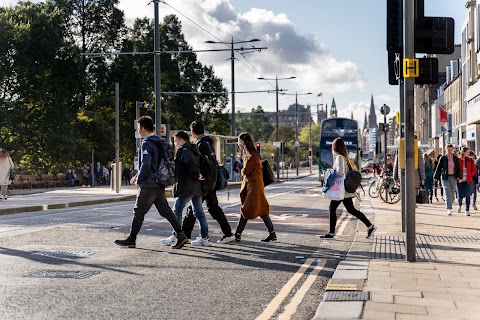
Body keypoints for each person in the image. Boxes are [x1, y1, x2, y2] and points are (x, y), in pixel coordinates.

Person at [114, 116, 189, 249]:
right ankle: (181, 234)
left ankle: (131, 239)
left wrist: (139, 178)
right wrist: (137, 175)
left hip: (149, 184)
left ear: (143, 128)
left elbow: (147, 164)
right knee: (166, 211)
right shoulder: (159, 142)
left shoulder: (147, 143)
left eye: (138, 128)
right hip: (159, 182)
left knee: (139, 211)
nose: (138, 131)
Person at [180, 121, 235, 244]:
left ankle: (185, 235)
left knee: (193, 208)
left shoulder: (200, 145)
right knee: (213, 208)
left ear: (192, 132)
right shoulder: (209, 143)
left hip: (204, 182)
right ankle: (228, 233)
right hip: (211, 181)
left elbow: (201, 164)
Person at [161, 130, 211, 246]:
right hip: (196, 187)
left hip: (188, 186)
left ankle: (176, 235)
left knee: (176, 210)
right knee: (199, 213)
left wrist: (196, 174)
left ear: (181, 140)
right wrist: (197, 175)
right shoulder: (194, 149)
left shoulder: (185, 150)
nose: (175, 143)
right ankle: (205, 238)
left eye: (175, 141)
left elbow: (190, 164)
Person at [322, 138, 376, 239]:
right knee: (351, 210)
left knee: (332, 208)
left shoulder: (339, 158)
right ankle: (370, 226)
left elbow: (341, 173)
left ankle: (331, 233)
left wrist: (329, 173)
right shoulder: (344, 157)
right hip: (344, 190)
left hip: (342, 190)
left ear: (334, 147)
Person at [234, 132, 276, 242]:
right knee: (262, 210)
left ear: (244, 142)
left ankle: (237, 233)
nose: (238, 143)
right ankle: (272, 234)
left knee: (246, 209)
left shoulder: (252, 155)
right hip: (253, 185)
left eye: (239, 141)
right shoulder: (248, 153)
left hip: (254, 187)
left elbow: (245, 171)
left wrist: (241, 164)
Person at [434, 143, 461, 215]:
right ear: (446, 150)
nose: (450, 151)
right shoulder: (443, 158)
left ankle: (450, 203)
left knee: (452, 194)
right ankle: (449, 209)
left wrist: (459, 177)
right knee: (448, 193)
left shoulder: (455, 158)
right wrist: (435, 177)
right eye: (448, 150)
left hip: (453, 177)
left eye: (451, 150)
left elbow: (458, 168)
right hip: (445, 178)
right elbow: (438, 168)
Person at [456, 147, 477, 216]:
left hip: (468, 181)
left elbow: (474, 169)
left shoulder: (470, 160)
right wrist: (458, 178)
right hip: (460, 181)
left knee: (468, 195)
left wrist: (470, 176)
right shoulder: (458, 160)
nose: (469, 153)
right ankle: (459, 204)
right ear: (463, 152)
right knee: (460, 195)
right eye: (467, 152)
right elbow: (455, 170)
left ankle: (467, 210)